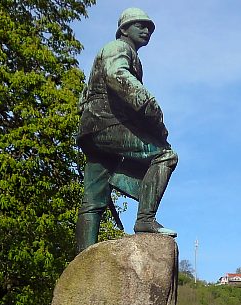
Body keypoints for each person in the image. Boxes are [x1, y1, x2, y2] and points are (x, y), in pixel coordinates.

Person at [75, 7, 178, 253]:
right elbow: (117, 76)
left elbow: (84, 97)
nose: (146, 30)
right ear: (124, 29)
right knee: (164, 155)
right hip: (107, 125)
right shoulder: (118, 49)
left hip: (93, 130)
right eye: (140, 25)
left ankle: (82, 257)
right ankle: (145, 219)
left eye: (149, 28)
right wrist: (151, 108)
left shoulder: (117, 52)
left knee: (93, 200)